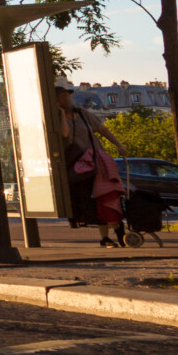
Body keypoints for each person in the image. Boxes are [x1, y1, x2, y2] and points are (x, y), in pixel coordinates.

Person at [55, 83, 127, 246]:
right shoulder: (57, 118)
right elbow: (64, 134)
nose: (69, 99)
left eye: (69, 96)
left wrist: (119, 145)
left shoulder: (82, 113)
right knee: (93, 200)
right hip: (78, 166)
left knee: (106, 195)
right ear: (57, 101)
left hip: (96, 162)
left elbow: (102, 130)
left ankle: (119, 235)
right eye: (64, 97)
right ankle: (105, 237)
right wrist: (60, 114)